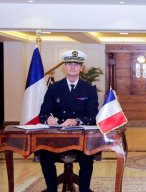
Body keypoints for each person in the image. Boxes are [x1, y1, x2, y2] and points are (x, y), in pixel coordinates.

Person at [38, 50, 99, 192]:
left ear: (81, 68)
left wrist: (77, 121)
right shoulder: (54, 88)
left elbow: (93, 116)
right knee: (45, 156)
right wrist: (48, 119)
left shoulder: (89, 89)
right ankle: (52, 189)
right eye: (69, 64)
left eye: (76, 65)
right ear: (64, 66)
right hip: (57, 140)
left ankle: (84, 189)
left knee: (87, 159)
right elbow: (42, 114)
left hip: (80, 140)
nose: (73, 67)